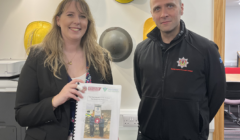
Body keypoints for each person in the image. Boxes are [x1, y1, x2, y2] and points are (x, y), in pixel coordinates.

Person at [14, 0, 112, 140]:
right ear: (58, 20)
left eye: (83, 16)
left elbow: (106, 108)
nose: (77, 21)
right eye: (70, 14)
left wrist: (110, 131)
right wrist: (55, 100)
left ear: (88, 22)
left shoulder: (101, 59)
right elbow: (21, 115)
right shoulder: (38, 57)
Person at [133, 0, 226, 139]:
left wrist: (198, 120)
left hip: (190, 136)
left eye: (170, 6)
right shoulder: (141, 50)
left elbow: (217, 94)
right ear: (152, 13)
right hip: (148, 135)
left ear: (181, 8)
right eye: (157, 8)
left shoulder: (206, 49)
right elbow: (142, 90)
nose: (164, 14)